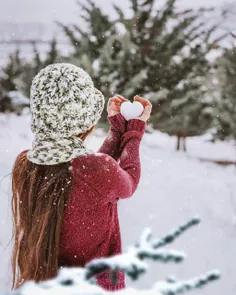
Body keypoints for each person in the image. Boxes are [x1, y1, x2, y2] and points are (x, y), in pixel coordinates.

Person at [11, 63, 152, 291]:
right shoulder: (95, 170)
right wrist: (133, 132)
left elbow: (85, 172)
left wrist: (117, 133)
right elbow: (127, 181)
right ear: (84, 118)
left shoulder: (25, 164)